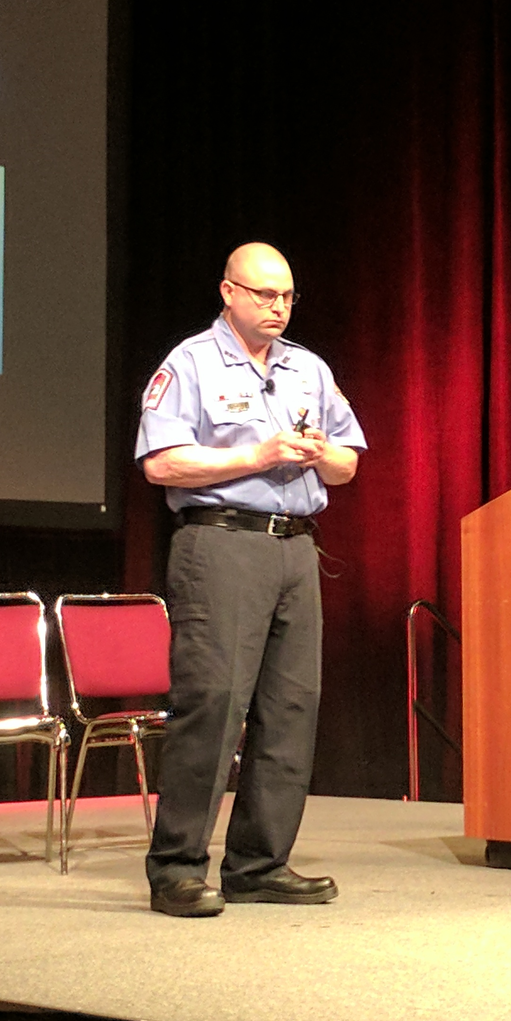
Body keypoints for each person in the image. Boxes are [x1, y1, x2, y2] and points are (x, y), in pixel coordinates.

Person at [134, 243, 366, 917]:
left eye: (288, 296)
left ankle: (260, 863)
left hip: (296, 550)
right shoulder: (191, 363)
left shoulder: (308, 369)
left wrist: (325, 453)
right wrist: (255, 455)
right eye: (264, 294)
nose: (278, 307)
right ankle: (177, 868)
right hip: (221, 543)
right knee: (214, 706)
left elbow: (350, 464)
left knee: (291, 709)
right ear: (228, 292)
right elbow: (161, 466)